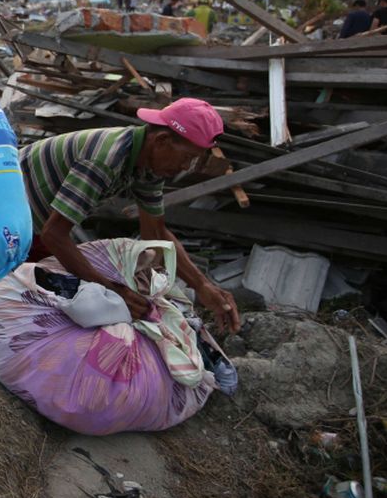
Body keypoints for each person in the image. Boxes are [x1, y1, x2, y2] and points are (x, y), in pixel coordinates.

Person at [20, 98, 240, 334]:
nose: (186, 167)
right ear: (162, 141)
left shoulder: (149, 165)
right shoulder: (106, 159)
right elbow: (54, 234)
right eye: (187, 157)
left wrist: (202, 285)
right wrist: (112, 291)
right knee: (5, 296)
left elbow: (155, 234)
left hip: (36, 222)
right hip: (5, 211)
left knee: (38, 299)